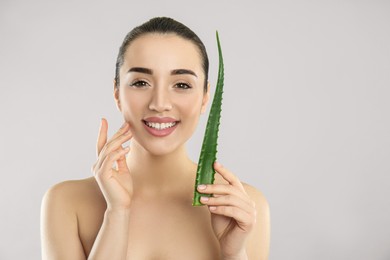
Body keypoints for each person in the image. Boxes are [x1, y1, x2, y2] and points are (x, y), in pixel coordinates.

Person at [41, 17, 270, 260]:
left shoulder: (243, 208)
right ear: (117, 93)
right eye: (141, 82)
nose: (160, 104)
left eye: (181, 84)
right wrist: (117, 213)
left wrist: (234, 253)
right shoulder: (66, 203)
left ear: (205, 98)